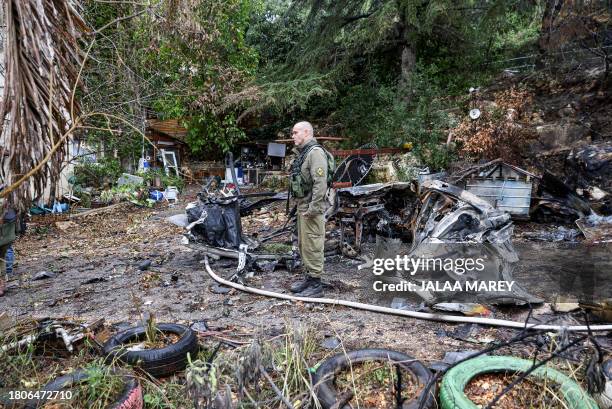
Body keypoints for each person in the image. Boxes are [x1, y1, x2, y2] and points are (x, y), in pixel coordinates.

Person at [288, 121, 329, 297]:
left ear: (306, 132)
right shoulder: (303, 154)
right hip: (303, 207)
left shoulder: (316, 153)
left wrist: (313, 208)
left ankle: (316, 284)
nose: (293, 136)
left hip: (312, 209)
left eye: (295, 132)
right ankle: (309, 278)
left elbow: (320, 184)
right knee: (304, 244)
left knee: (313, 244)